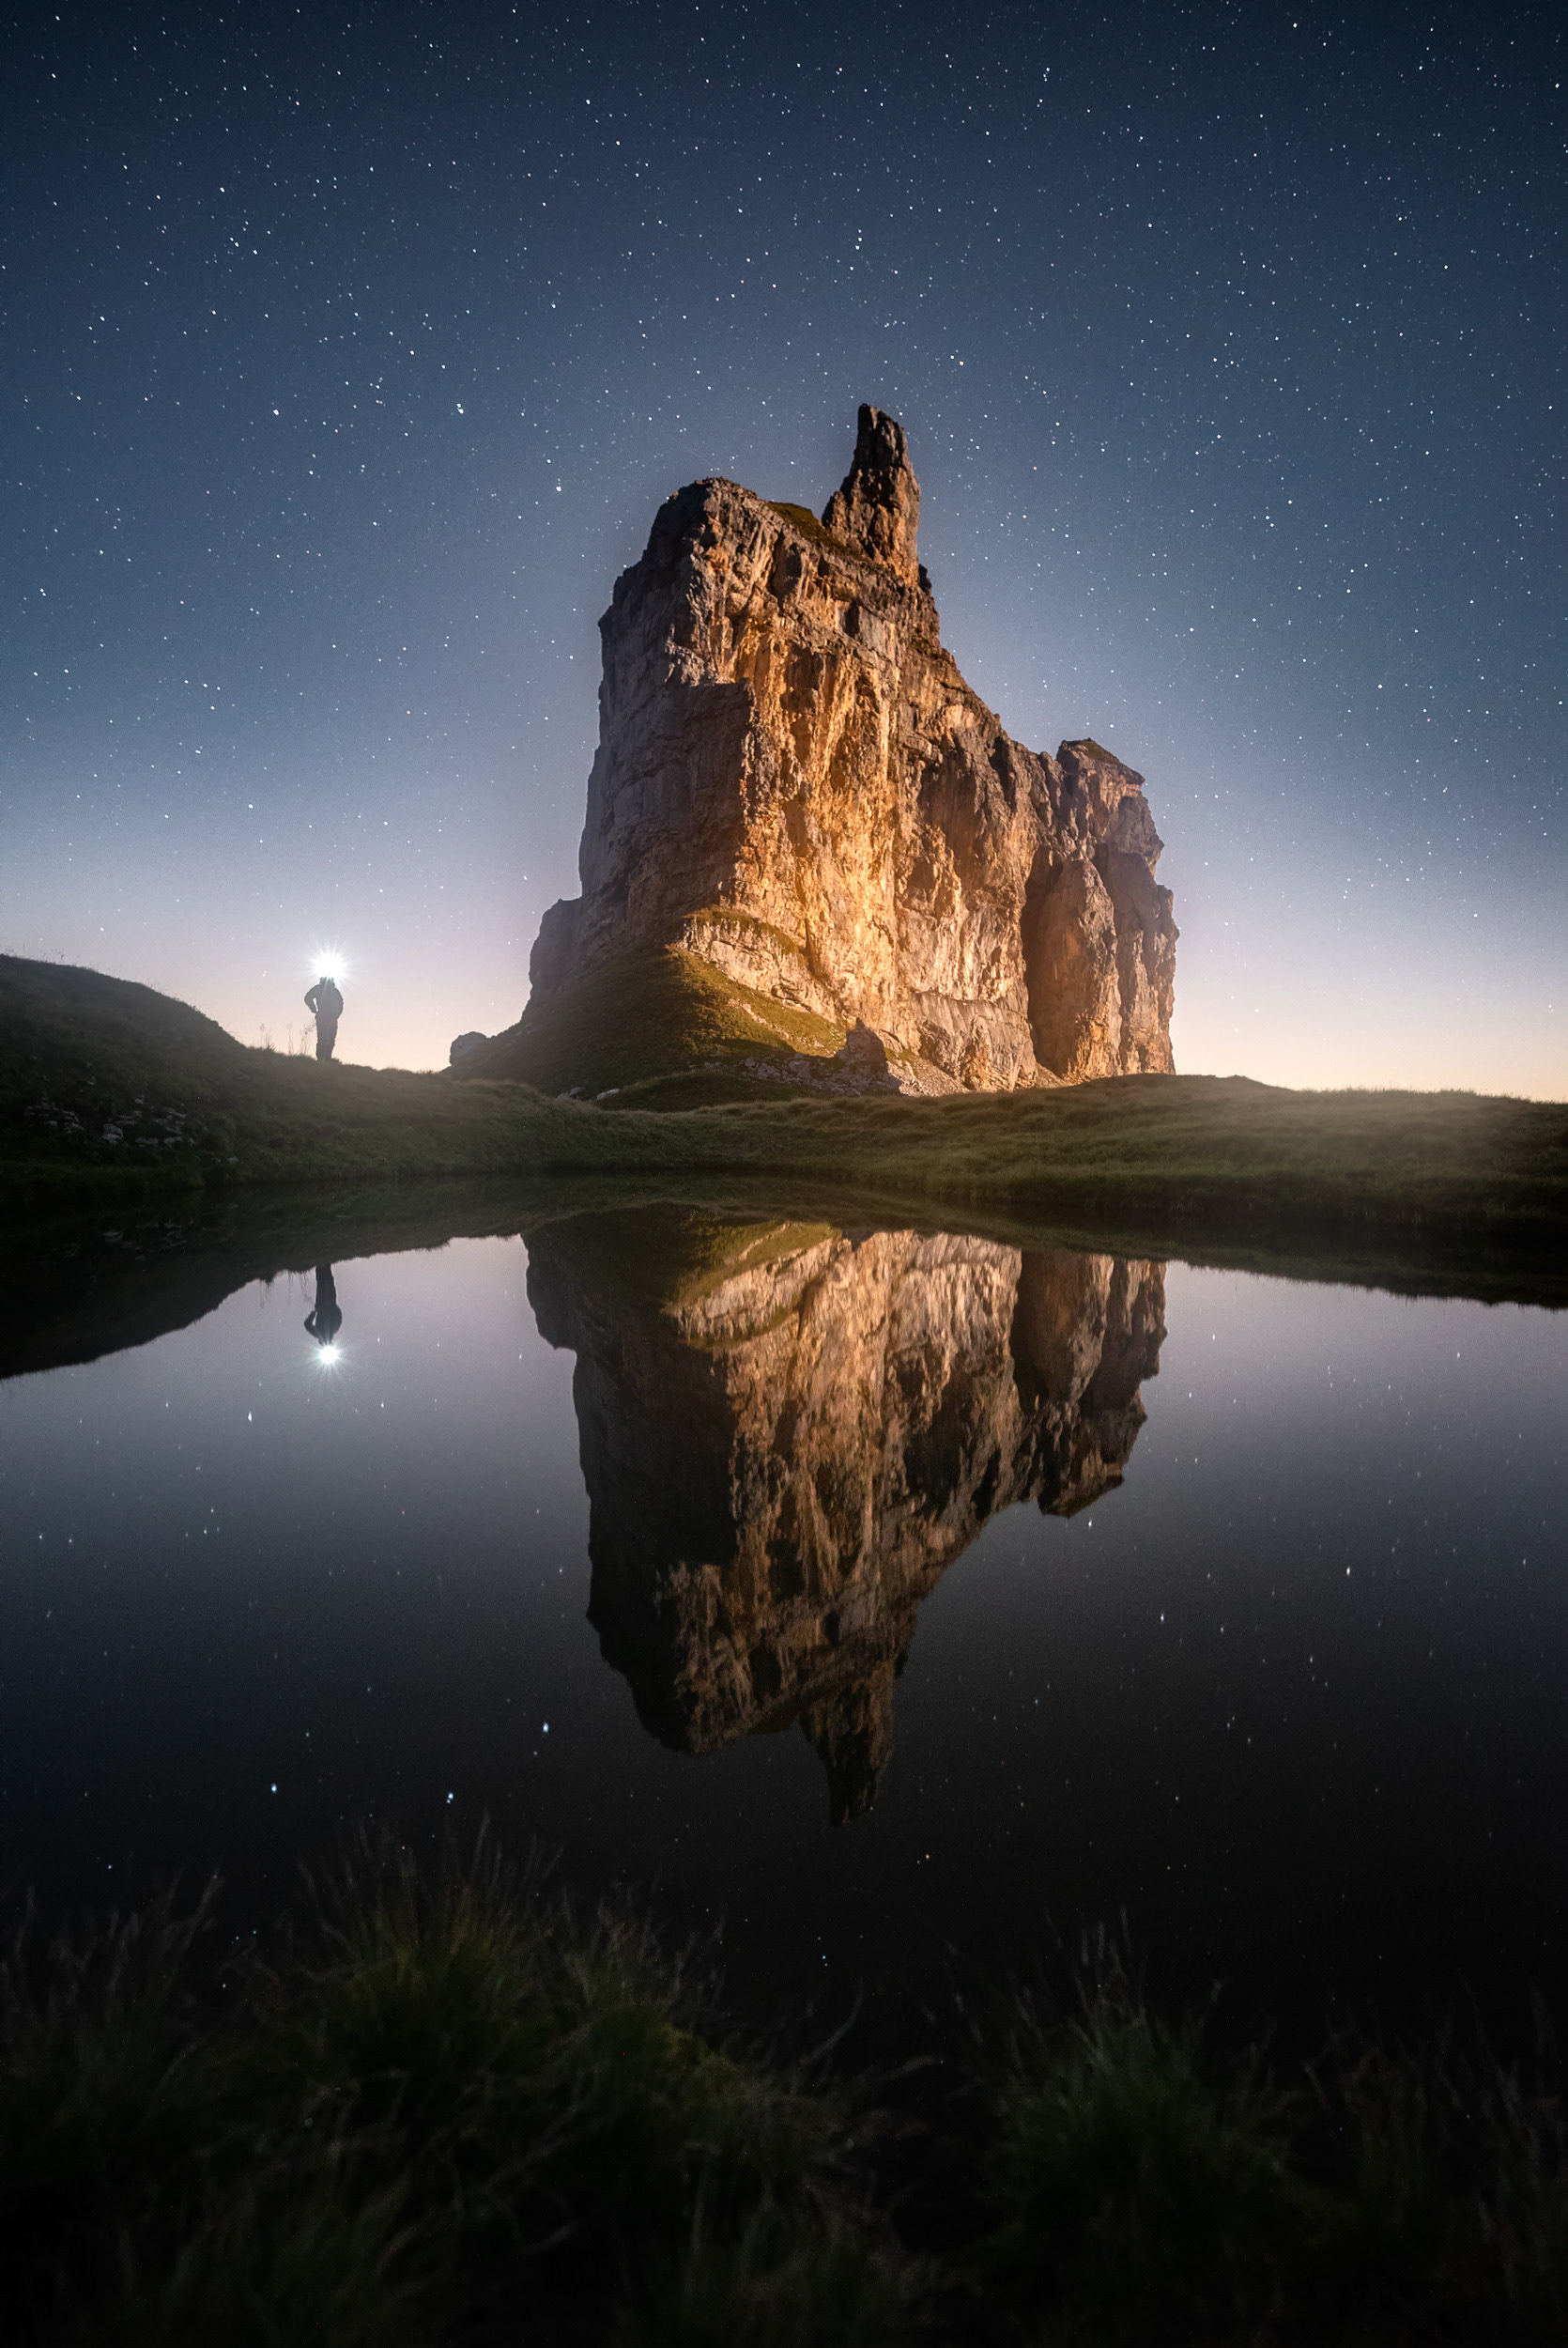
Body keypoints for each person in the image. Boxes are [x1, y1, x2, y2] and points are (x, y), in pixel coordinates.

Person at [304, 973, 344, 1061]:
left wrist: (337, 1014)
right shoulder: (319, 988)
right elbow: (308, 998)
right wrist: (313, 1009)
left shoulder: (335, 991)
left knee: (331, 1039)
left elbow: (340, 1003)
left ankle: (327, 1059)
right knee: (323, 1038)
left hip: (332, 1017)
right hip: (323, 1016)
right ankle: (321, 1059)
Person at [304, 1264, 344, 1349]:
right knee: (326, 1280)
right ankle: (323, 1262)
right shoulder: (330, 1330)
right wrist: (314, 1312)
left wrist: (314, 1312)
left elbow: (307, 1324)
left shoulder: (328, 1330)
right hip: (327, 1303)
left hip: (326, 1302)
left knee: (324, 1281)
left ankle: (322, 1263)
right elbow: (338, 1315)